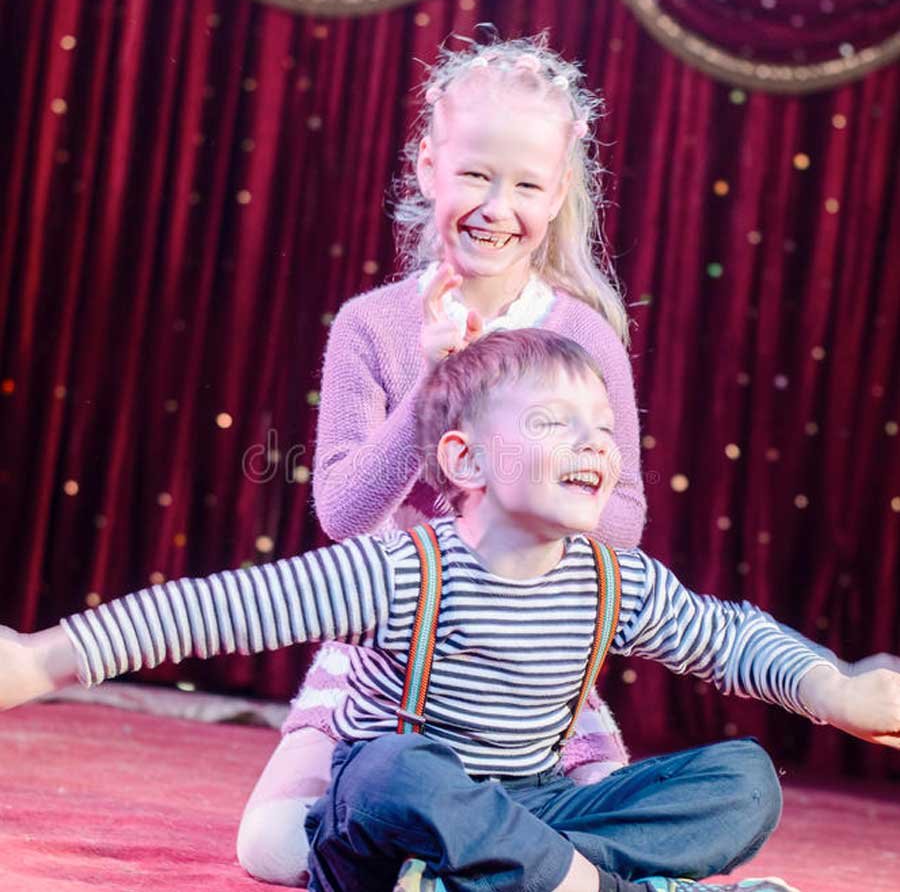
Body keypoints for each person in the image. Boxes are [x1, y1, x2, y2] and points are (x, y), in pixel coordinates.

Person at [4, 330, 899, 892]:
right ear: (465, 462)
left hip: (533, 811)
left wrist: (839, 689)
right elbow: (217, 610)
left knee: (743, 780)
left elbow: (730, 638)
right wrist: (42, 659)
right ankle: (594, 888)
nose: (594, 443)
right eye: (554, 423)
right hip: (394, 821)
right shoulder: (404, 570)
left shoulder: (612, 580)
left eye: (603, 431)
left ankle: (510, 878)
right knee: (395, 770)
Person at [236, 34, 648, 885]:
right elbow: (343, 514)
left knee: (641, 823)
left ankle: (475, 851)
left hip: (529, 659)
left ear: (559, 192)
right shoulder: (371, 325)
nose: (498, 206)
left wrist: (520, 487)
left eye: (528, 184)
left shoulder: (583, 339)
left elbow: (627, 519)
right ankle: (480, 861)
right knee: (272, 845)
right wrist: (430, 389)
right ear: (429, 168)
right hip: (391, 655)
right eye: (475, 175)